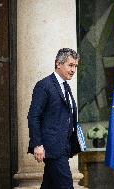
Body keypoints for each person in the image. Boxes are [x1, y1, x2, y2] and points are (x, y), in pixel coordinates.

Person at [28, 48, 80, 189]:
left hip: (63, 146)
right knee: (66, 185)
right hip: (51, 147)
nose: (73, 70)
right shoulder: (44, 85)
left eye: (75, 66)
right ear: (58, 63)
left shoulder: (66, 86)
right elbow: (34, 116)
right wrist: (37, 144)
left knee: (49, 185)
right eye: (70, 65)